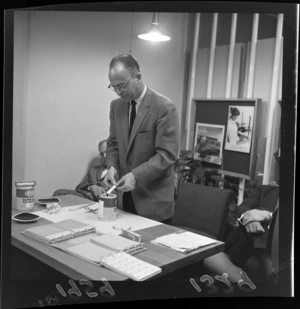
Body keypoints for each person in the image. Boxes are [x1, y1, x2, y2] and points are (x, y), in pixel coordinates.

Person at [103, 54, 179, 224]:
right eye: (113, 87)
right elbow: (113, 142)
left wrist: (136, 176)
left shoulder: (164, 107)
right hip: (125, 198)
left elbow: (166, 155)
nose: (118, 91)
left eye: (122, 85)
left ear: (138, 77)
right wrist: (112, 167)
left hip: (153, 202)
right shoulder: (116, 106)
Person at [203, 148, 280, 284]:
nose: (276, 162)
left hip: (270, 252)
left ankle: (248, 283)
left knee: (254, 264)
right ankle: (257, 279)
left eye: (279, 158)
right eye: (276, 157)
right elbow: (242, 207)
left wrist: (267, 216)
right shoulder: (265, 190)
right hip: (242, 245)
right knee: (208, 255)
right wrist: (249, 219)